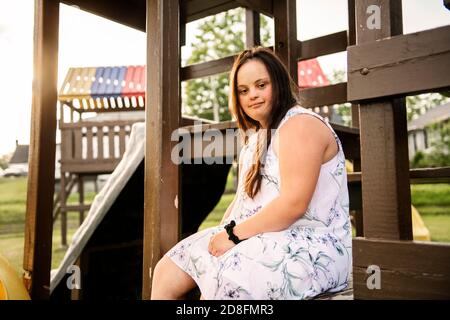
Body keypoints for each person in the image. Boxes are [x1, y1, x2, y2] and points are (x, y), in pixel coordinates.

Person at [151, 47, 352, 300]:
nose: (252, 96)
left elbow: (294, 204)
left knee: (227, 276)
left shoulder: (300, 125)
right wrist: (221, 233)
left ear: (278, 83)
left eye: (261, 85)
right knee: (168, 268)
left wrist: (233, 236)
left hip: (310, 245)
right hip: (260, 236)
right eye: (243, 90)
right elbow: (241, 201)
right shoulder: (255, 138)